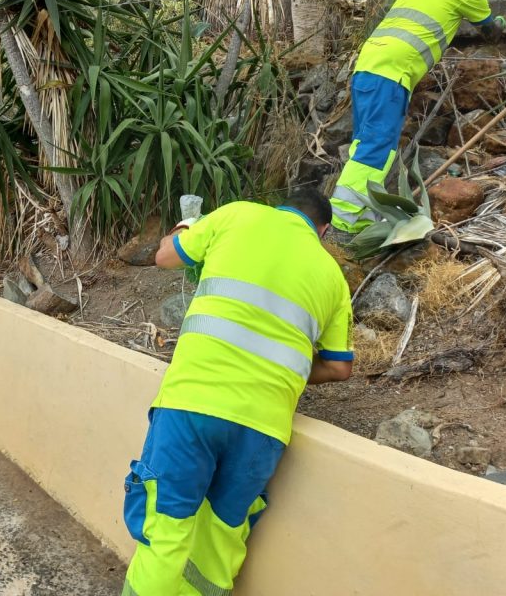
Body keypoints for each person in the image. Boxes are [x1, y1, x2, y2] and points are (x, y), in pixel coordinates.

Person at [121, 188, 353, 596]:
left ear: (280, 206)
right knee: (221, 539)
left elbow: (165, 257)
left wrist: (187, 227)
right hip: (263, 426)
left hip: (192, 404)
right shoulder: (333, 276)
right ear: (324, 231)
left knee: (167, 531)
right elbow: (338, 365)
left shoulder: (238, 215)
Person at [329, 0, 506, 238]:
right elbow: (491, 32)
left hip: (368, 65)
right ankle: (343, 222)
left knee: (364, 143)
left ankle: (362, 215)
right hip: (392, 74)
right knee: (377, 149)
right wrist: (500, 20)